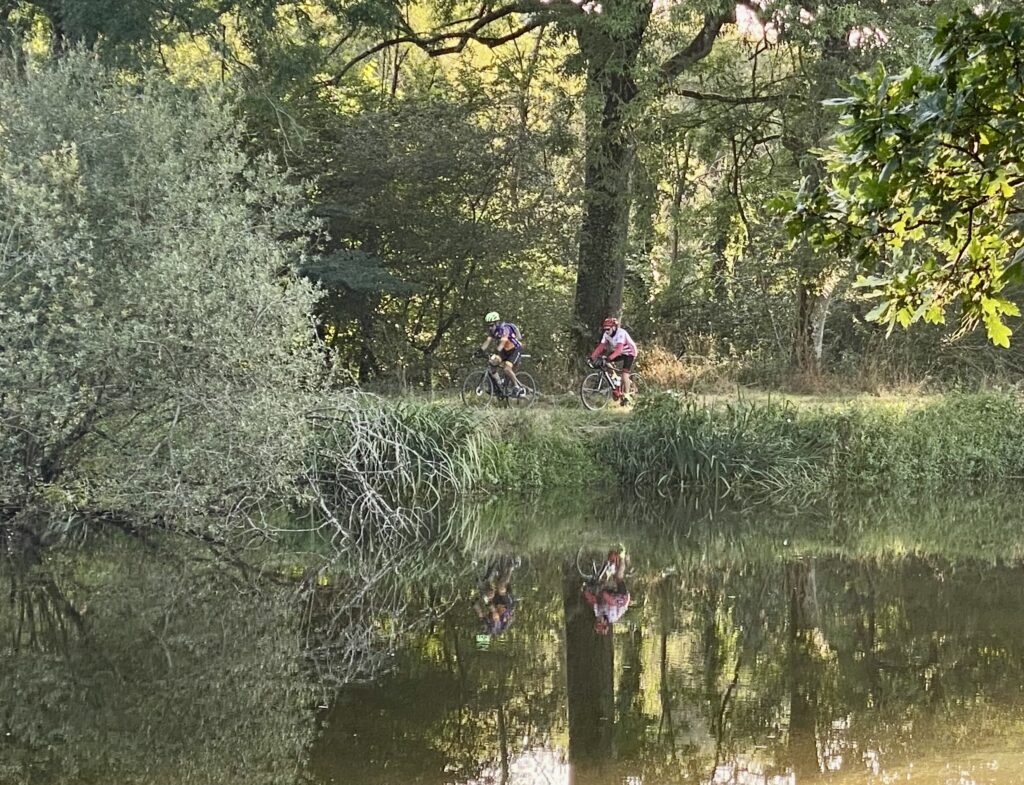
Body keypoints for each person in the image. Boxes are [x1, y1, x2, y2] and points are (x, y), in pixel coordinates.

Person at [588, 317, 638, 406]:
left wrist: (609, 358)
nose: (606, 331)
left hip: (629, 352)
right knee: (605, 360)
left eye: (608, 329)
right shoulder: (606, 334)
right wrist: (592, 357)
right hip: (620, 351)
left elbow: (618, 350)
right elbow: (601, 347)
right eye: (604, 329)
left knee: (624, 375)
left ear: (614, 327)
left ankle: (627, 396)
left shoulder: (621, 333)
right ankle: (615, 378)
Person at [582, 547, 630, 635]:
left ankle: (609, 564)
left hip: (611, 597)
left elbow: (594, 602)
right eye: (600, 622)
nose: (598, 619)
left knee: (601, 584)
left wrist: (586, 592)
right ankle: (622, 557)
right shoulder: (612, 617)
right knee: (618, 577)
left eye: (597, 621)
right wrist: (602, 593)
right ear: (605, 623)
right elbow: (609, 600)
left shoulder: (598, 613)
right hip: (622, 599)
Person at [478, 311, 525, 397]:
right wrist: (479, 351)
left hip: (515, 349)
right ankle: (499, 385)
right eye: (488, 325)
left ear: (497, 323)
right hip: (505, 351)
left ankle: (517, 387)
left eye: (491, 325)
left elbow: (503, 342)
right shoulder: (492, 331)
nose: (490, 327)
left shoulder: (504, 329)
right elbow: (487, 341)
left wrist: (496, 352)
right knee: (492, 363)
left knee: (507, 369)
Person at [474, 556, 519, 637]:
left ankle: (479, 568)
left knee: (488, 594)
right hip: (506, 606)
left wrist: (475, 604)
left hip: (496, 604)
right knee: (501, 588)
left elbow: (480, 613)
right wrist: (491, 607)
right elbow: (495, 614)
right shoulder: (496, 626)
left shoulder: (485, 624)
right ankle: (511, 568)